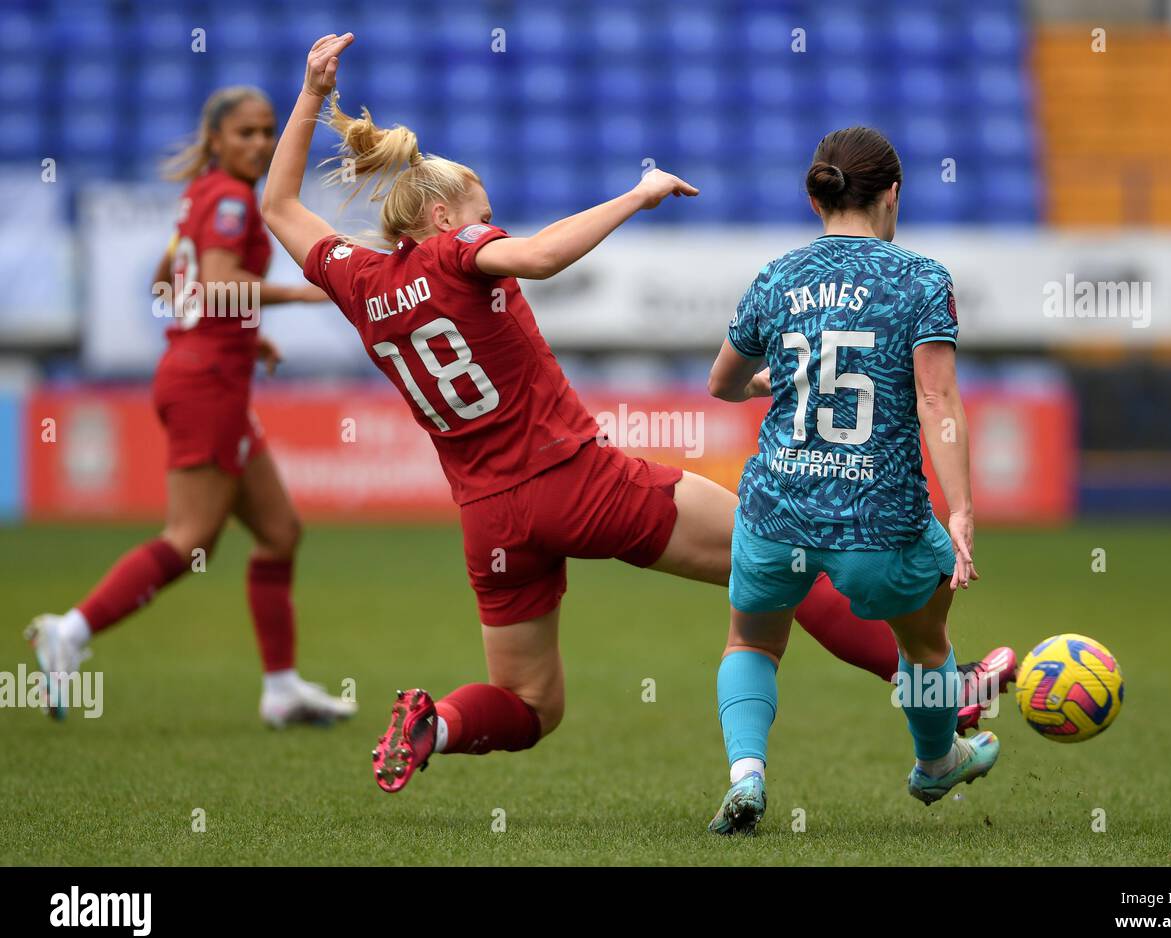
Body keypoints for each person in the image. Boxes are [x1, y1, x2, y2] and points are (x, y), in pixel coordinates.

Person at [261, 35, 1010, 794]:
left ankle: (440, 721)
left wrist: (311, 95)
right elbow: (542, 256)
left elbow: (278, 205)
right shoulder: (458, 253)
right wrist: (637, 194)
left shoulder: (353, 279)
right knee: (782, 556)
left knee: (529, 704)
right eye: (485, 214)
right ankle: (952, 692)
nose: (494, 224)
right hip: (576, 481)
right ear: (439, 211)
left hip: (489, 516)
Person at [25, 85, 356, 728]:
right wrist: (307, 291)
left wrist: (241, 333)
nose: (261, 143)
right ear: (215, 141)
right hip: (206, 385)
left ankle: (282, 689)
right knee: (191, 537)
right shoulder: (231, 200)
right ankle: (69, 630)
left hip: (208, 373)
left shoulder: (201, 196)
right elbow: (217, 281)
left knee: (280, 532)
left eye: (267, 132)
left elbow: (166, 284)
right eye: (246, 134)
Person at [704, 126, 1002, 835]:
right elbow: (937, 401)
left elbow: (722, 382)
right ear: (892, 195)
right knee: (925, 644)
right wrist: (960, 510)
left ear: (816, 198)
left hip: (778, 509)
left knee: (751, 642)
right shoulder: (922, 278)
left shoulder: (777, 276)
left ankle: (747, 775)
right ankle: (936, 762)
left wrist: (768, 386)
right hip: (882, 521)